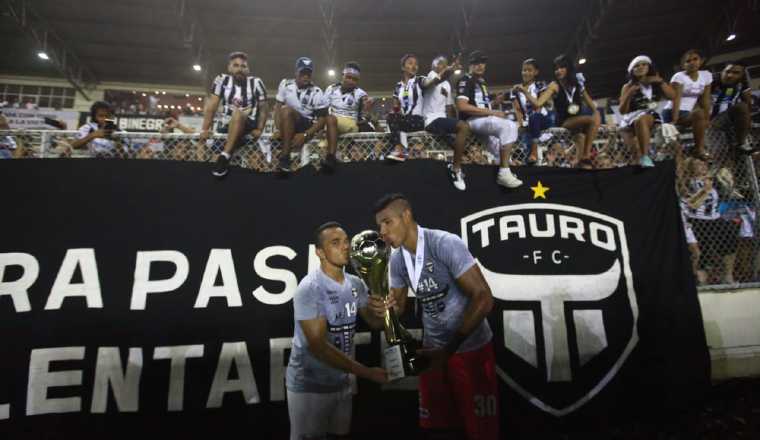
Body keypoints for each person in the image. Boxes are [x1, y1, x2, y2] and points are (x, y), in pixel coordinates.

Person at [370, 193, 499, 440]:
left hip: (469, 349)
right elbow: (398, 308)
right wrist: (385, 308)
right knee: (437, 429)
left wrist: (449, 348)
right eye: (379, 225)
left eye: (388, 222)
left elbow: (484, 298)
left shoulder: (444, 243)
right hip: (433, 353)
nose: (382, 231)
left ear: (406, 216)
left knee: (481, 431)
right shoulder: (397, 260)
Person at [286, 222, 388, 440]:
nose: (345, 247)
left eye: (346, 241)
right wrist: (367, 373)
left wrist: (384, 310)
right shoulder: (310, 288)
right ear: (320, 252)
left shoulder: (355, 284)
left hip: (342, 383)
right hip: (310, 387)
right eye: (335, 243)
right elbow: (318, 347)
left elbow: (375, 324)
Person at [456, 50, 522, 188]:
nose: (481, 66)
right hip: (472, 120)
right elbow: (462, 106)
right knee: (509, 126)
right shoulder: (465, 80)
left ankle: (503, 178)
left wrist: (495, 103)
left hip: (483, 119)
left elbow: (480, 105)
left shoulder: (482, 82)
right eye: (477, 62)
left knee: (501, 151)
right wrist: (492, 112)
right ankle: (504, 173)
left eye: (483, 63)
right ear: (471, 64)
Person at [200, 51, 269, 178]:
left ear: (248, 69)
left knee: (238, 113)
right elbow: (212, 106)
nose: (240, 69)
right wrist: (205, 129)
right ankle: (222, 160)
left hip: (248, 124)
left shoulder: (256, 82)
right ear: (229, 68)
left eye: (243, 66)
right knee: (214, 162)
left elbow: (264, 108)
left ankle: (225, 155)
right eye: (236, 65)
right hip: (227, 124)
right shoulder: (222, 79)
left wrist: (260, 128)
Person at [532, 54, 600, 169]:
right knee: (591, 120)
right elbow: (538, 103)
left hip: (578, 123)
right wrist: (526, 92)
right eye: (556, 69)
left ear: (569, 68)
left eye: (561, 67)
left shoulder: (578, 83)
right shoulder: (554, 85)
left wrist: (597, 113)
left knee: (581, 140)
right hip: (564, 121)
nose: (558, 71)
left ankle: (582, 163)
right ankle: (586, 155)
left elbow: (591, 104)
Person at [421, 54, 472, 190]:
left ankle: (454, 165)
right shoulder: (429, 76)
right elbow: (434, 82)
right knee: (463, 127)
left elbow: (449, 107)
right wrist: (449, 69)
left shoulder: (448, 85)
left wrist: (455, 121)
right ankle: (456, 170)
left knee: (463, 141)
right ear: (432, 66)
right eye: (439, 63)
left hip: (442, 120)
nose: (441, 66)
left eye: (444, 64)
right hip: (431, 120)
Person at [618, 55, 676, 167]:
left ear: (649, 67)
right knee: (634, 154)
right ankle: (641, 163)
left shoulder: (656, 82)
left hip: (649, 116)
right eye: (636, 66)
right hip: (628, 120)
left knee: (642, 120)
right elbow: (622, 111)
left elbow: (672, 96)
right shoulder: (627, 86)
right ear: (631, 71)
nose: (640, 67)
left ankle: (646, 156)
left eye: (644, 64)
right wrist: (629, 93)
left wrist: (661, 81)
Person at [274, 57, 329, 173]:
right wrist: (279, 129)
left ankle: (284, 158)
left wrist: (305, 135)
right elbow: (277, 108)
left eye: (308, 73)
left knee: (287, 110)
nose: (306, 76)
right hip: (288, 122)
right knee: (285, 110)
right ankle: (285, 159)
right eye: (303, 73)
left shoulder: (317, 92)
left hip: (307, 125)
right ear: (296, 72)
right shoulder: (285, 84)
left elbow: (322, 120)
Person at [662, 49, 712, 160]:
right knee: (698, 113)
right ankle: (697, 150)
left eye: (695, 59)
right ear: (683, 65)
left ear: (701, 61)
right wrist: (674, 120)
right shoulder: (679, 76)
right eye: (688, 61)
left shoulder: (706, 76)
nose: (692, 62)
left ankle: (698, 149)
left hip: (687, 114)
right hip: (672, 112)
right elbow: (676, 99)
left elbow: (705, 100)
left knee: (701, 114)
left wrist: (707, 119)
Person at [323, 61, 372, 172]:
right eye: (348, 77)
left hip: (350, 123)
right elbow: (323, 109)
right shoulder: (331, 89)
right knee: (320, 149)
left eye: (354, 79)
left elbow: (366, 106)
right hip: (333, 125)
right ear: (343, 75)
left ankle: (331, 157)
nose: (350, 81)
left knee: (330, 119)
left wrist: (367, 106)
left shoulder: (360, 93)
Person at [510, 58, 552, 165]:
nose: (526, 73)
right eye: (524, 70)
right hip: (528, 123)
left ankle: (534, 152)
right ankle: (530, 158)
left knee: (534, 117)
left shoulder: (540, 85)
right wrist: (521, 124)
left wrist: (524, 92)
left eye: (529, 70)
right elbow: (518, 110)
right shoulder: (515, 90)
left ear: (536, 72)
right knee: (527, 153)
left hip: (543, 119)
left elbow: (538, 105)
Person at [386, 54, 428, 162]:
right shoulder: (398, 86)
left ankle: (399, 150)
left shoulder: (420, 80)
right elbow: (396, 107)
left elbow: (431, 82)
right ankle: (402, 151)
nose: (414, 66)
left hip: (418, 120)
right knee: (391, 117)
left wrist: (442, 74)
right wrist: (395, 112)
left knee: (396, 125)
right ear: (403, 67)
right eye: (410, 63)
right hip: (404, 121)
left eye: (416, 64)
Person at [710, 61, 754, 153]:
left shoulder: (742, 83)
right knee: (720, 155)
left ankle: (740, 145)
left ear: (741, 75)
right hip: (711, 120)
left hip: (729, 117)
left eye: (736, 73)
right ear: (722, 71)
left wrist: (748, 119)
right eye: (728, 71)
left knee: (742, 107)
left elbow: (747, 101)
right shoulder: (711, 81)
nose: (730, 75)